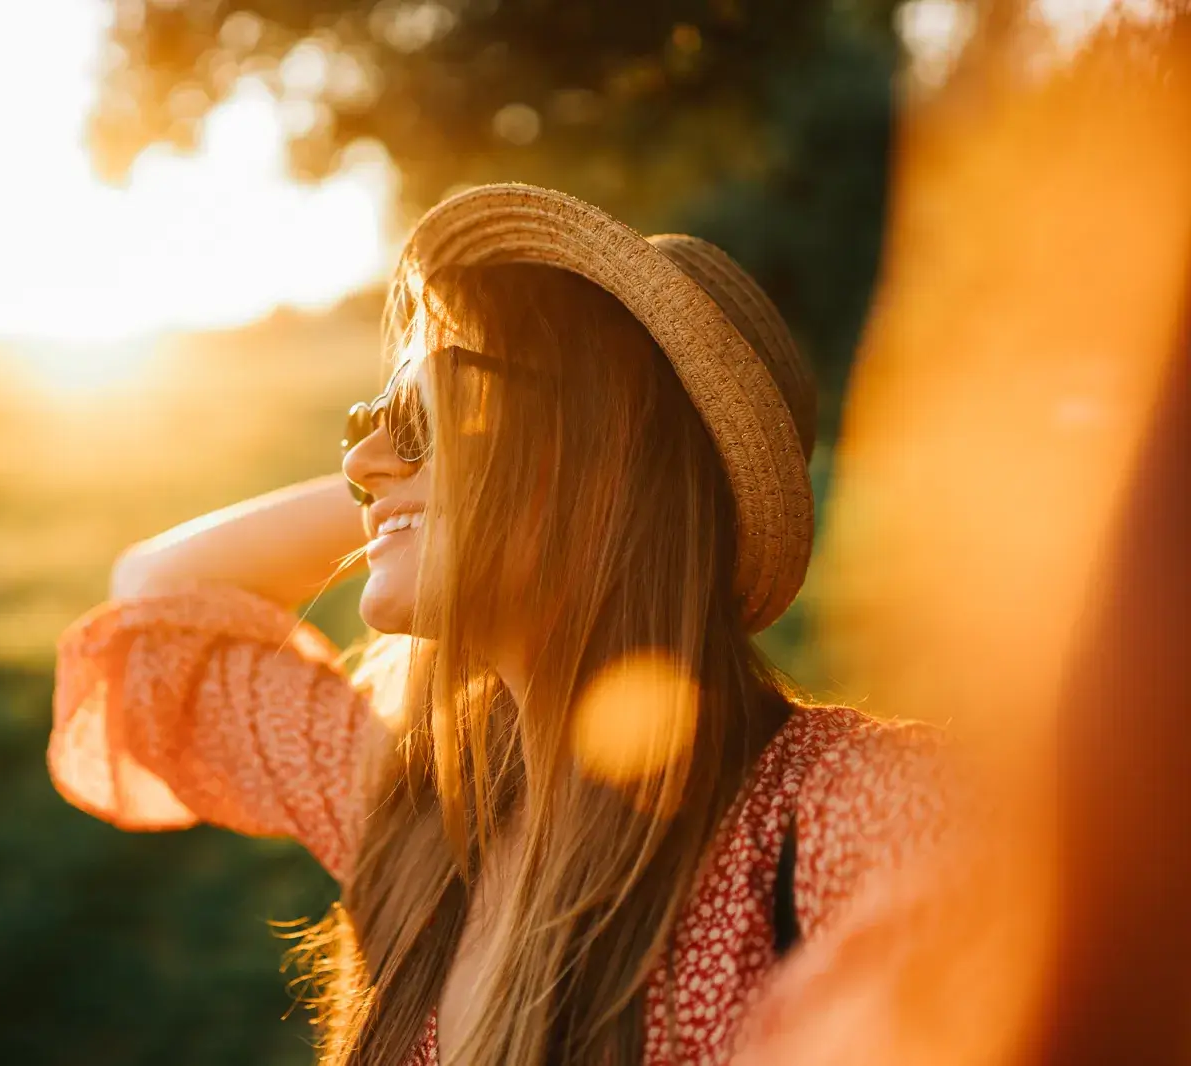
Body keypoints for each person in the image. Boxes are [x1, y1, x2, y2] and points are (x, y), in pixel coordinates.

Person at [48, 184, 942, 1066]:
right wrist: (432, 475)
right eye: (378, 418)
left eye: (430, 410)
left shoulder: (850, 813)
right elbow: (154, 596)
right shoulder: (414, 804)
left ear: (611, 453)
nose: (360, 463)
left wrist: (466, 480)